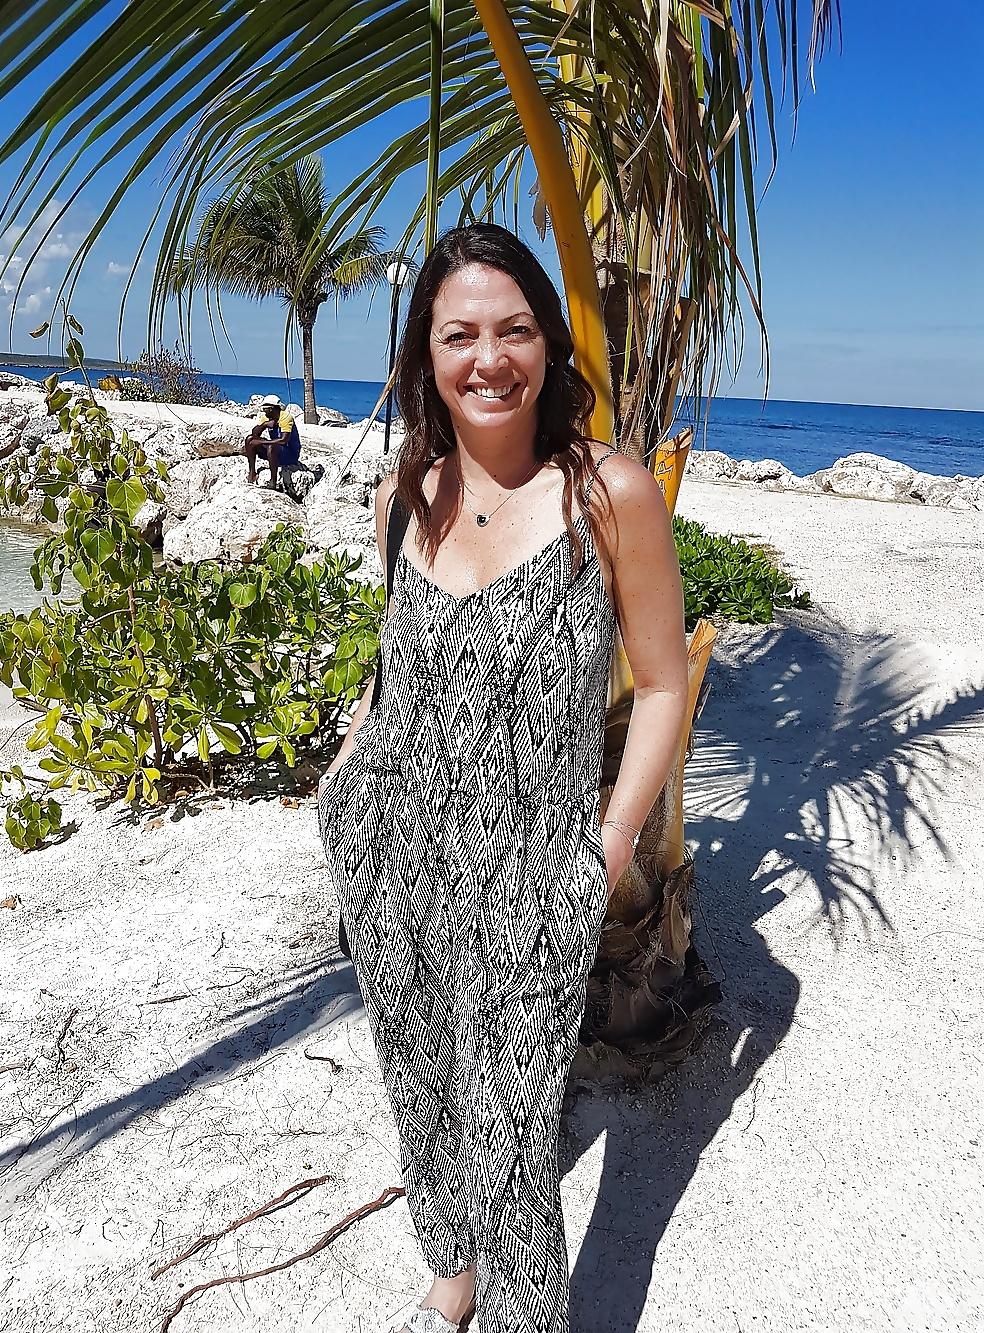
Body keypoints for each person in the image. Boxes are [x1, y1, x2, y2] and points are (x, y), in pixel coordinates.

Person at [316, 223, 688, 1333]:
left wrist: (607, 847)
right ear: (425, 354)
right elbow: (396, 668)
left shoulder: (609, 493)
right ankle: (451, 1263)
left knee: (517, 1130)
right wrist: (342, 779)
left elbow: (662, 686)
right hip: (390, 851)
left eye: (514, 329)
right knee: (417, 1074)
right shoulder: (404, 494)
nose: (489, 358)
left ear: (549, 342)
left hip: (535, 874)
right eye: (459, 334)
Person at [244, 393, 301, 487]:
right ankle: (252, 472)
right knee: (249, 439)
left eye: (264, 409)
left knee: (271, 446)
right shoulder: (266, 418)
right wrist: (264, 425)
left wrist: (261, 442)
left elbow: (283, 440)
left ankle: (273, 482)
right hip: (275, 452)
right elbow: (255, 434)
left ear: (271, 409)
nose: (263, 411)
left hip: (290, 454)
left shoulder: (286, 417)